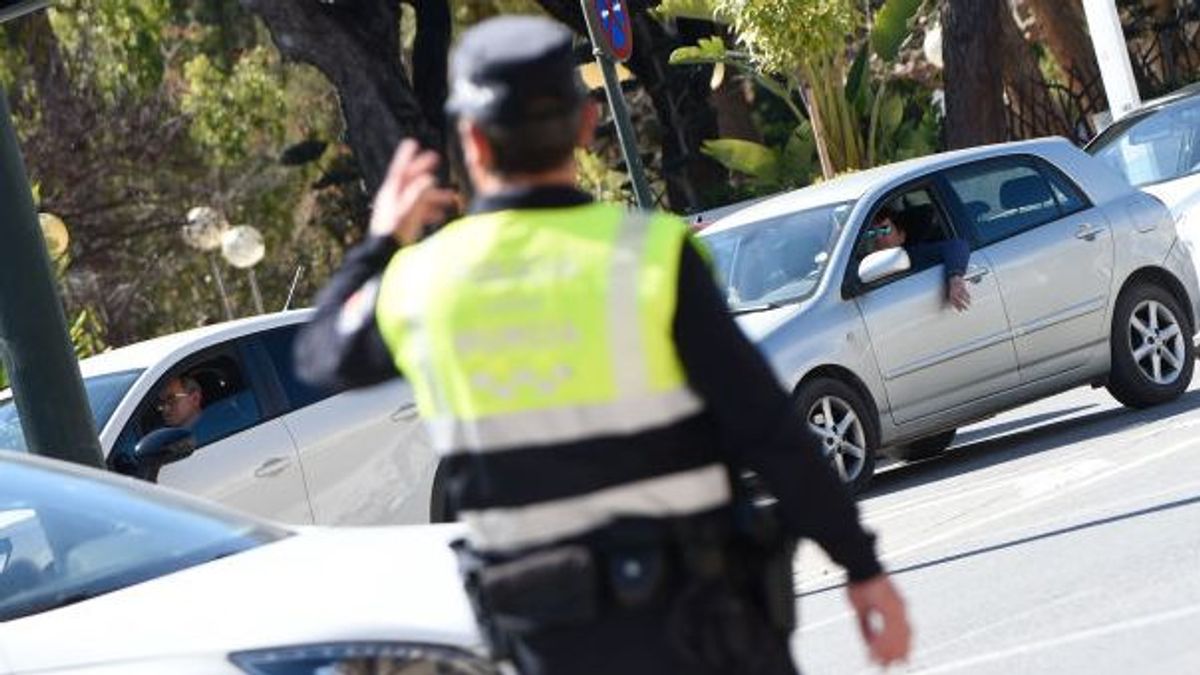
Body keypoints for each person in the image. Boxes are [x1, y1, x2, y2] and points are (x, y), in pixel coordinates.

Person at [294, 15, 911, 675]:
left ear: (471, 141)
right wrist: (861, 565)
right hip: (701, 629)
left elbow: (320, 355)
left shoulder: (422, 282)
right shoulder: (652, 255)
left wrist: (383, 238)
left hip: (555, 642)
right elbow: (768, 427)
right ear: (588, 125)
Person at [868, 205, 972, 312]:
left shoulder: (912, 256)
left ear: (901, 236)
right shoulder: (861, 267)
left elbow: (956, 245)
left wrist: (955, 279)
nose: (878, 237)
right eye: (871, 233)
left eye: (884, 230)